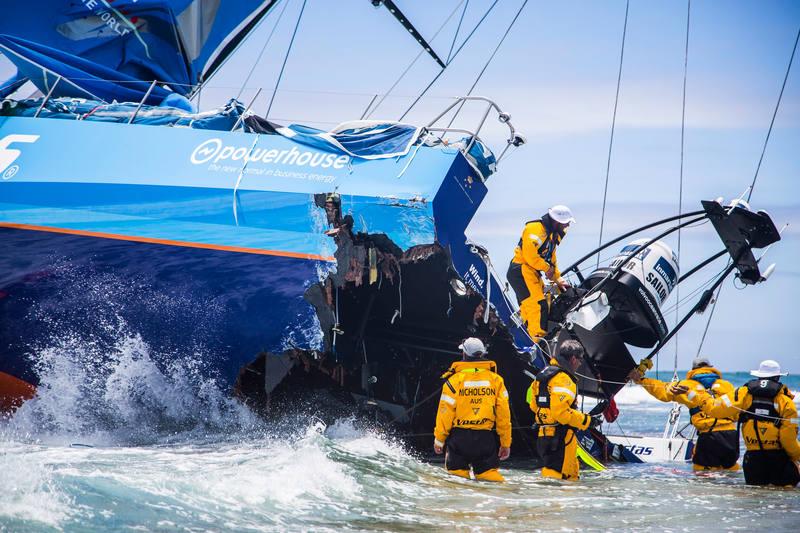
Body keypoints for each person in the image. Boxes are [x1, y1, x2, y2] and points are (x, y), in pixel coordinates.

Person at [678, 359, 800, 486]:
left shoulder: (742, 394)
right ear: (778, 377)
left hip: (753, 461)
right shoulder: (786, 402)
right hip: (778, 460)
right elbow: (789, 440)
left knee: (754, 498)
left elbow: (714, 408)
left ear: (758, 376)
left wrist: (690, 393)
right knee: (782, 498)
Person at [629, 356, 739, 471]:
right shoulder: (727, 385)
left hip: (709, 436)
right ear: (711, 368)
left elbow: (663, 390)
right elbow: (736, 411)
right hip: (730, 435)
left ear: (693, 369)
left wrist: (641, 380)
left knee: (703, 473)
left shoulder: (686, 385)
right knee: (731, 470)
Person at [433, 337, 512, 481]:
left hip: (459, 439)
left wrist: (439, 440)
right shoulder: (496, 380)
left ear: (464, 354)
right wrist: (505, 443)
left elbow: (445, 413)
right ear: (482, 354)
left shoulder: (454, 381)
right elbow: (504, 415)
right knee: (491, 480)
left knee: (456, 482)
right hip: (485, 439)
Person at [528, 339, 599, 480]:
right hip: (560, 437)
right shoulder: (564, 379)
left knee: (569, 476)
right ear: (573, 359)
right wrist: (587, 421)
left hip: (544, 435)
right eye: (580, 359)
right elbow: (561, 414)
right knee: (557, 478)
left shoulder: (543, 375)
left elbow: (532, 404)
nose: (580, 364)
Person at [507, 205, 575, 341]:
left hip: (532, 273)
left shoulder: (552, 237)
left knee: (543, 303)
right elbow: (530, 255)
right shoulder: (534, 229)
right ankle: (537, 341)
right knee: (537, 306)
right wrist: (546, 268)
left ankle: (528, 337)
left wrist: (559, 280)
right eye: (566, 223)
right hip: (521, 271)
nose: (567, 226)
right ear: (557, 222)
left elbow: (552, 261)